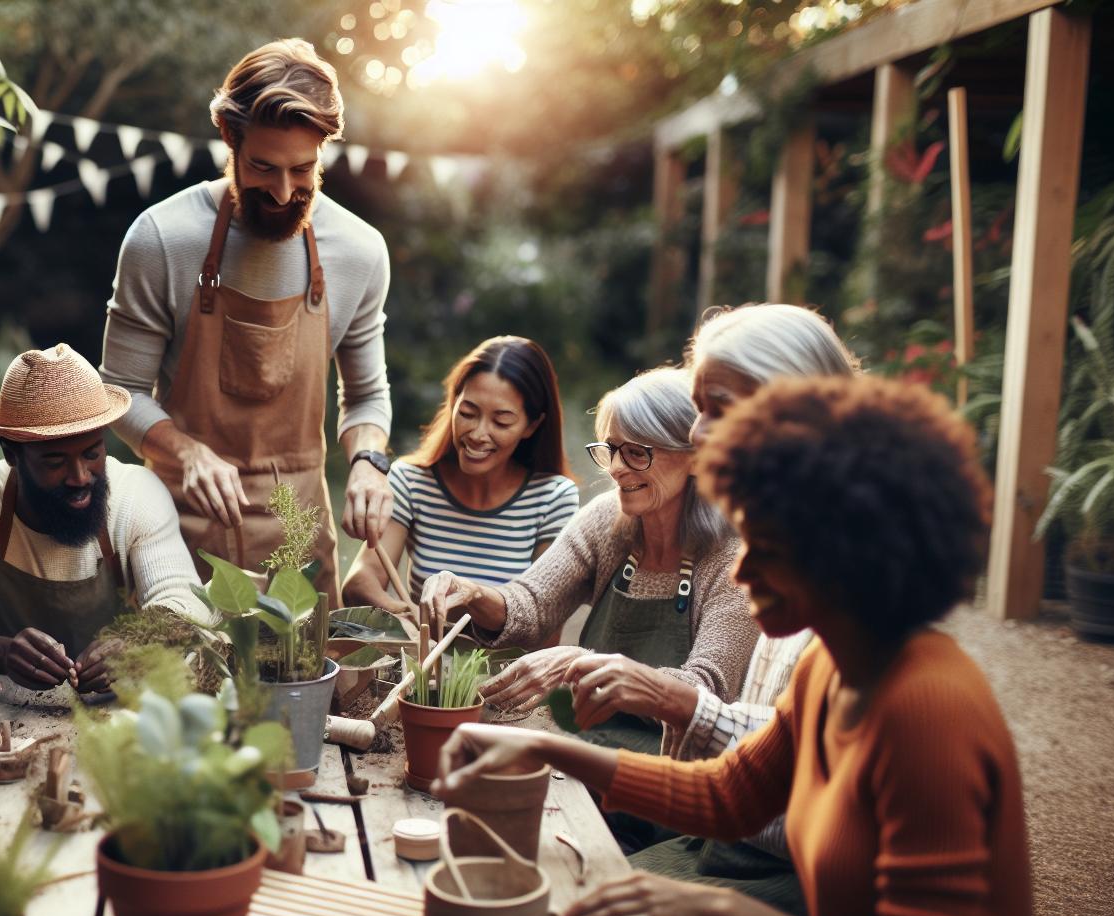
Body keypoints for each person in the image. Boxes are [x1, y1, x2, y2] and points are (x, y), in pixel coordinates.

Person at [437, 376, 1048, 916]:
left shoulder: (929, 709)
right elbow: (724, 797)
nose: (740, 570)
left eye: (767, 549)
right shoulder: (831, 665)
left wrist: (717, 908)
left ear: (852, 558)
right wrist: (538, 743)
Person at [563, 304, 860, 916]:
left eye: (715, 407)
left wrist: (679, 703)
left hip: (807, 906)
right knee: (560, 911)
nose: (697, 433)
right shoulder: (788, 545)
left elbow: (824, 824)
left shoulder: (855, 597)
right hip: (723, 850)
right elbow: (739, 784)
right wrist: (552, 755)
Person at [100, 38, 393, 599]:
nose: (284, 192)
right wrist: (187, 453)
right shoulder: (162, 238)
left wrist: (369, 462)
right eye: (263, 166)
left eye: (303, 169)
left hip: (300, 535)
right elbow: (121, 389)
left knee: (304, 681)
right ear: (229, 139)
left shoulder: (359, 250)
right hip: (178, 534)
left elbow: (365, 395)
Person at [419, 366, 759, 772]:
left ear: (695, 457)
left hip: (675, 771)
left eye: (637, 452)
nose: (615, 468)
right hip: (587, 744)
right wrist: (472, 594)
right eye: (611, 449)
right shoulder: (608, 520)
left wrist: (579, 663)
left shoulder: (735, 558)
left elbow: (705, 691)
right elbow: (531, 604)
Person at [0, 344, 211, 704]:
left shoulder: (138, 495)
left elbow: (185, 601)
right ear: (12, 454)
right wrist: (3, 652)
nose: (80, 477)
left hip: (119, 706)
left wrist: (134, 642)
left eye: (92, 454)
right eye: (55, 461)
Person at [341, 336, 578, 614]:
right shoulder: (411, 481)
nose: (477, 434)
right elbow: (359, 582)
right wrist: (410, 618)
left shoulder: (553, 497)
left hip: (511, 659)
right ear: (453, 403)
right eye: (468, 412)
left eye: (501, 421)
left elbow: (545, 616)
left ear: (532, 425)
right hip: (425, 655)